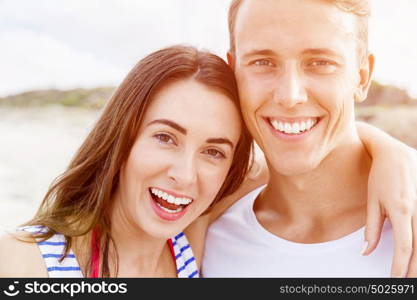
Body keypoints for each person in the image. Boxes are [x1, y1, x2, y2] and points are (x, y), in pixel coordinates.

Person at [202, 0, 417, 277]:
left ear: (362, 77)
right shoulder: (207, 232)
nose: (290, 96)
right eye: (263, 62)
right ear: (234, 73)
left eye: (320, 63)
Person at [0, 45, 253, 277]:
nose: (185, 175)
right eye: (165, 138)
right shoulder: (21, 262)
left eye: (213, 152)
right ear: (121, 139)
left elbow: (282, 165)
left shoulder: (190, 236)